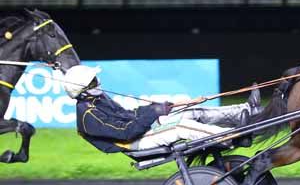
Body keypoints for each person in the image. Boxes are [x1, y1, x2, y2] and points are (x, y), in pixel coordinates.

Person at [63, 65, 261, 152]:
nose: (98, 82)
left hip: (140, 132)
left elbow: (129, 115)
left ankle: (246, 110)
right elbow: (126, 132)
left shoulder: (98, 100)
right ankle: (232, 137)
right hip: (133, 143)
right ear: (84, 89)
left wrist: (162, 107)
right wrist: (154, 113)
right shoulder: (88, 115)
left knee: (190, 111)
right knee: (181, 127)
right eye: (94, 80)